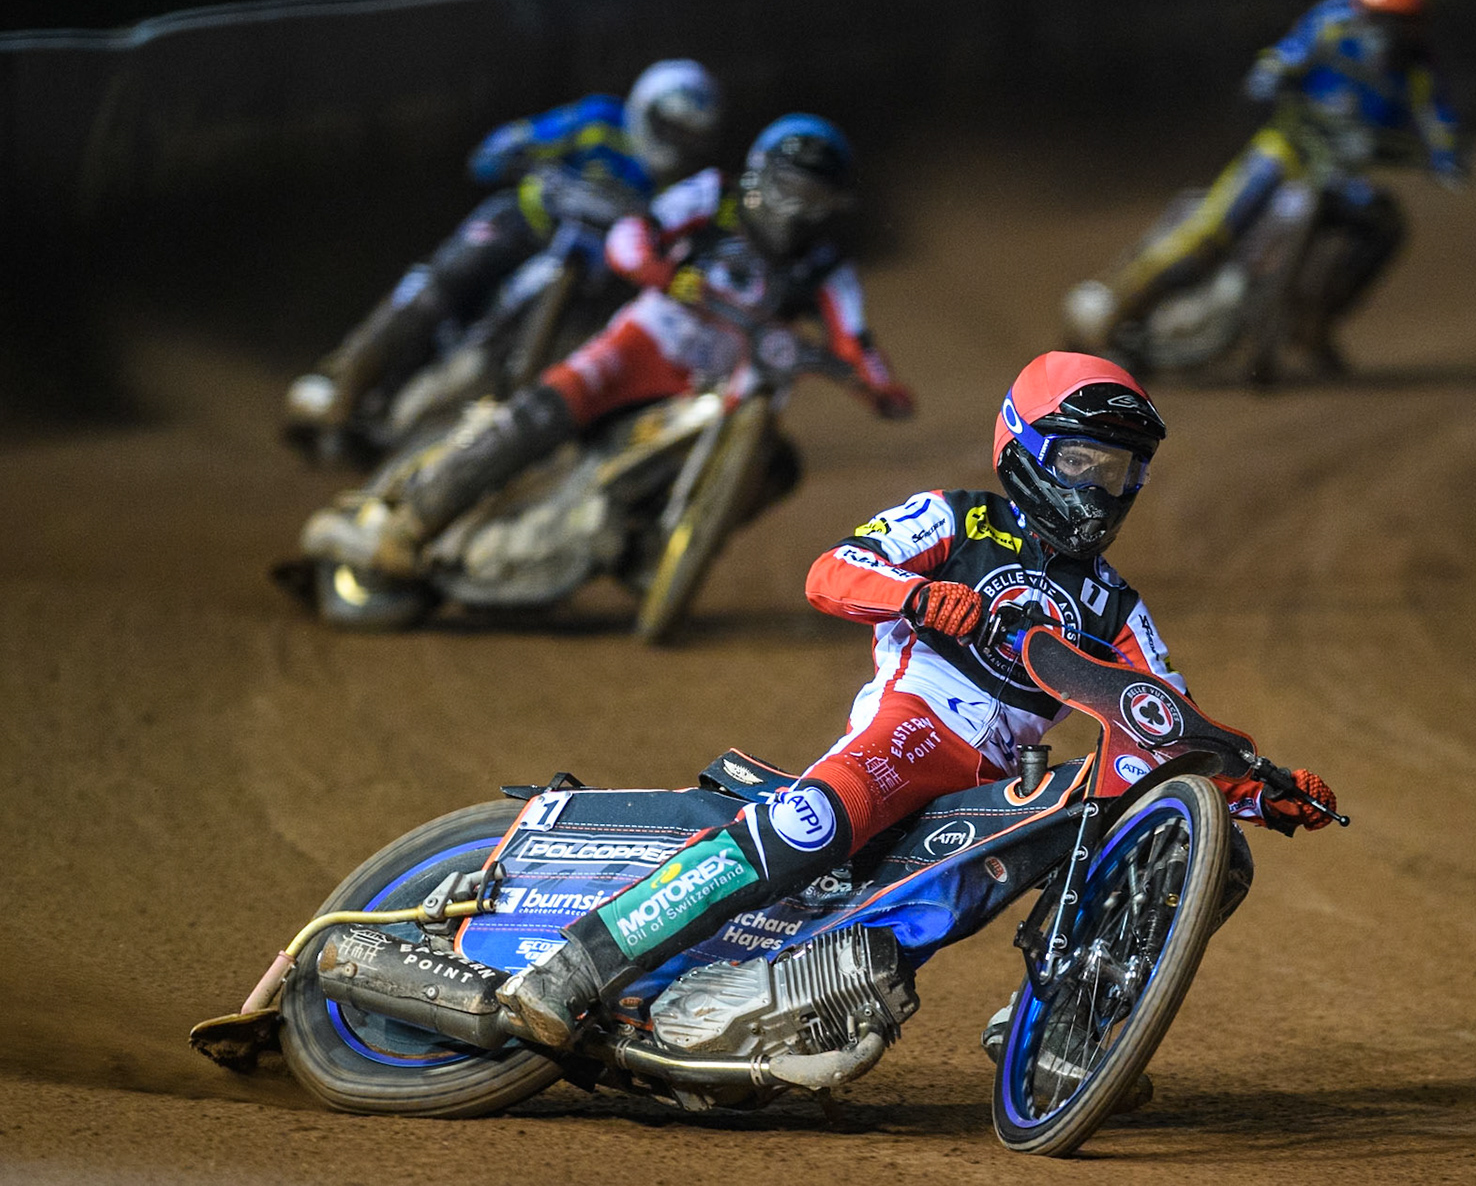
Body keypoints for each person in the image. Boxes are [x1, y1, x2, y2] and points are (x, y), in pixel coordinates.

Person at [496, 350, 1339, 1049]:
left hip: (998, 784)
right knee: (809, 826)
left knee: (1146, 834)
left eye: (1117, 471)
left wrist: (1257, 788)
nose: (1098, 487)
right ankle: (575, 966)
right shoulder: (958, 519)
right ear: (1026, 449)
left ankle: (1062, 1031)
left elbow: (1161, 718)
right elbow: (829, 574)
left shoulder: (1118, 606)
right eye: (1079, 461)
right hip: (915, 728)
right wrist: (916, 598)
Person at [300, 113, 914, 575]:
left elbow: (855, 336)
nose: (797, 210)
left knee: (779, 467)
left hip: (721, 387)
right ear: (760, 174)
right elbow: (630, 237)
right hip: (642, 345)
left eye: (815, 198)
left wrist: (880, 387)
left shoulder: (827, 268)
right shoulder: (712, 197)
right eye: (790, 188)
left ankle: (655, 555)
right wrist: (663, 272)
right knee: (540, 414)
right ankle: (407, 527)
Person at [1065, 0, 1467, 375]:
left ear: (1422, 7)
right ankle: (1118, 310)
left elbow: (1439, 123)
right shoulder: (1332, 23)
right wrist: (1267, 79)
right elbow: (1286, 56)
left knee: (1385, 228)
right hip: (1286, 149)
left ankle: (1313, 326)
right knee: (1211, 232)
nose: (1386, 8)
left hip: (1338, 177)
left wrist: (1446, 159)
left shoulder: (1419, 72)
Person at [284, 59, 724, 442]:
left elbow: (689, 232)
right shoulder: (599, 122)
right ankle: (343, 384)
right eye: (670, 127)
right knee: (436, 289)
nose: (674, 143)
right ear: (645, 109)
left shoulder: (679, 187)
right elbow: (507, 145)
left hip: (588, 278)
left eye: (687, 136)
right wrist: (515, 153)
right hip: (521, 228)